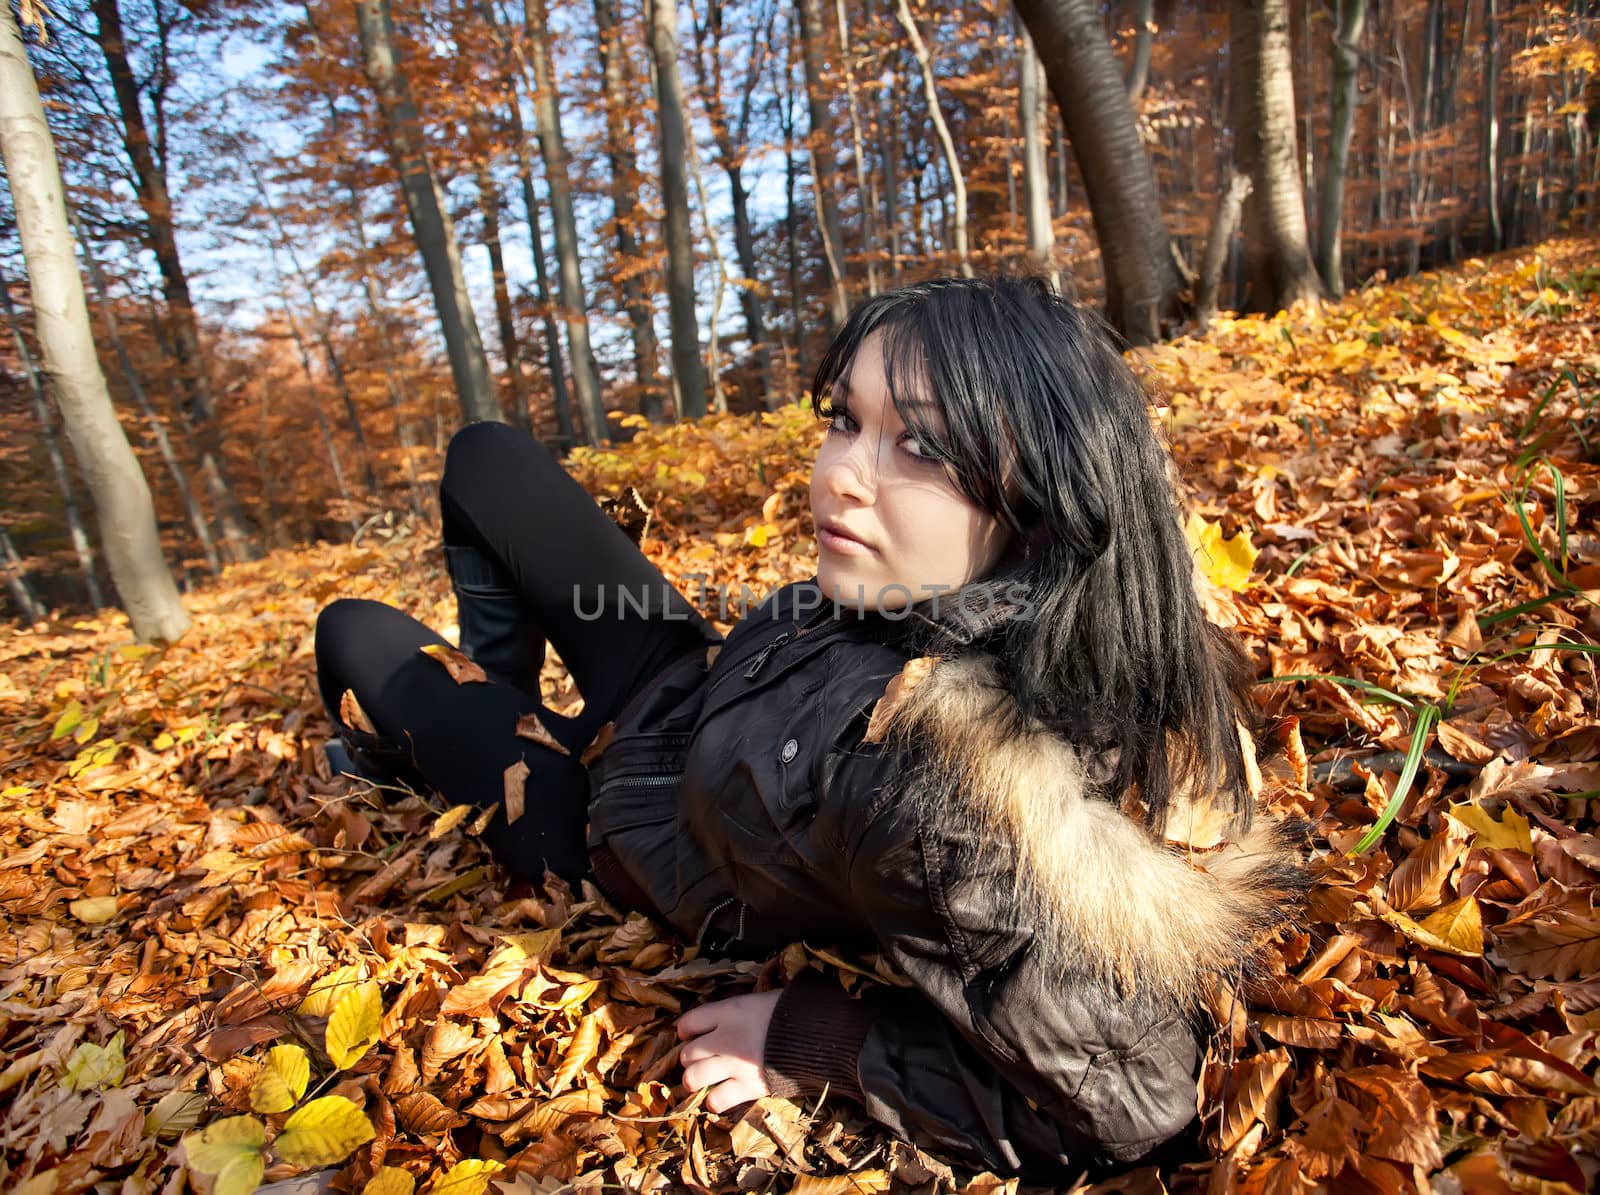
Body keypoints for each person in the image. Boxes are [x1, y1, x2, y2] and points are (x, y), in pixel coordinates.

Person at [312, 274, 1309, 1182]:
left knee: (354, 634)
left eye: (919, 445)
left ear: (1040, 509)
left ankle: (497, 744)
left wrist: (809, 1035)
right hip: (684, 686)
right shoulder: (963, 586)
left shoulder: (961, 796)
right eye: (846, 420)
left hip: (613, 830)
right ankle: (505, 687)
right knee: (485, 458)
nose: (840, 474)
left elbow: (1133, 1103)